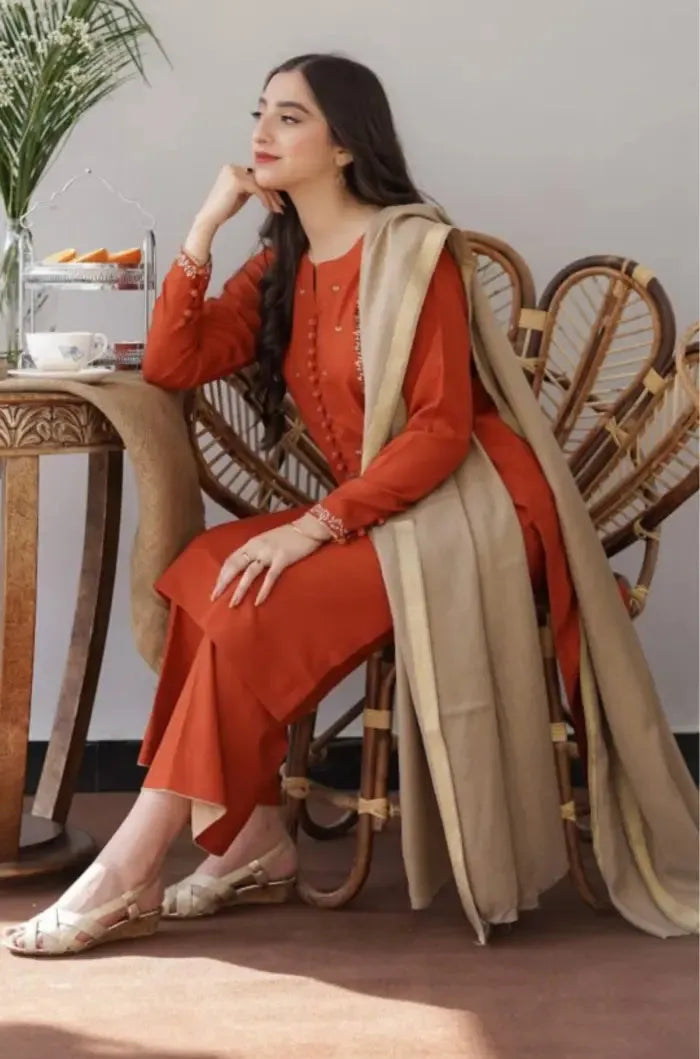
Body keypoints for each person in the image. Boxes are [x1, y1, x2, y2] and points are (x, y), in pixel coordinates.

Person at [4, 52, 581, 957]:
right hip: (380, 508)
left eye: (289, 117)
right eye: (259, 114)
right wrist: (204, 225)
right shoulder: (285, 261)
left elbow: (438, 431)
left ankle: (129, 866)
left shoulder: (411, 249)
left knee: (257, 593)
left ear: (345, 144)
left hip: (469, 508)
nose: (261, 134)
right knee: (208, 570)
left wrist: (312, 528)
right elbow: (170, 366)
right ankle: (254, 840)